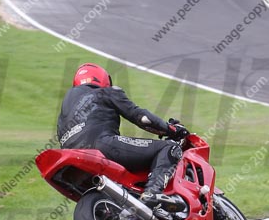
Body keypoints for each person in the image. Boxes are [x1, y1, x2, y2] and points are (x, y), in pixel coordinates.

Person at [57, 63, 189, 207]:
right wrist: (172, 130)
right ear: (103, 79)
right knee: (169, 148)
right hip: (102, 146)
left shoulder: (64, 114)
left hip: (73, 160)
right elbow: (143, 119)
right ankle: (153, 192)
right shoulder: (106, 92)